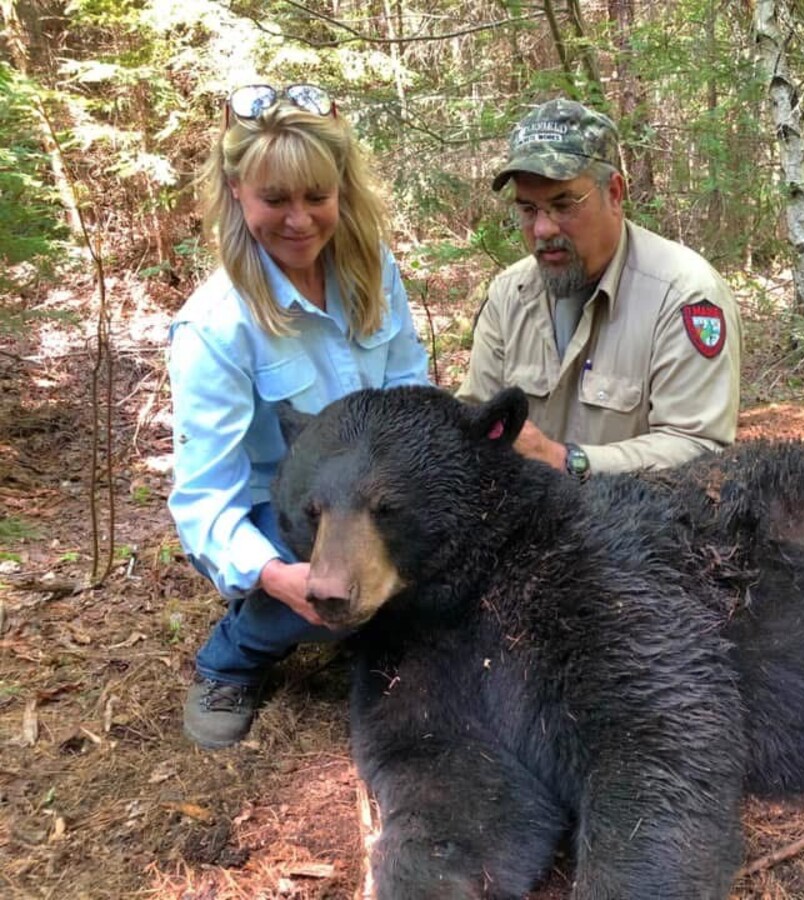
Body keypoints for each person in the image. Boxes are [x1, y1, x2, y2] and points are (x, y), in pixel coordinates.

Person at [167, 84, 429, 749]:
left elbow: (408, 390)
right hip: (282, 511)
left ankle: (382, 628)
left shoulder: (372, 272)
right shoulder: (216, 327)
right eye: (275, 199)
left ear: (341, 189)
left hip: (370, 484)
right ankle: (235, 655)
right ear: (236, 191)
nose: (299, 220)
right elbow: (204, 500)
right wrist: (275, 576)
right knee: (330, 576)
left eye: (317, 196)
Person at [457, 98, 741, 478]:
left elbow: (699, 448)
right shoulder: (510, 295)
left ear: (615, 194)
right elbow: (472, 423)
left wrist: (566, 460)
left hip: (644, 515)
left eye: (564, 204)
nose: (543, 229)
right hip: (523, 514)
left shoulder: (682, 295)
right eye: (527, 209)